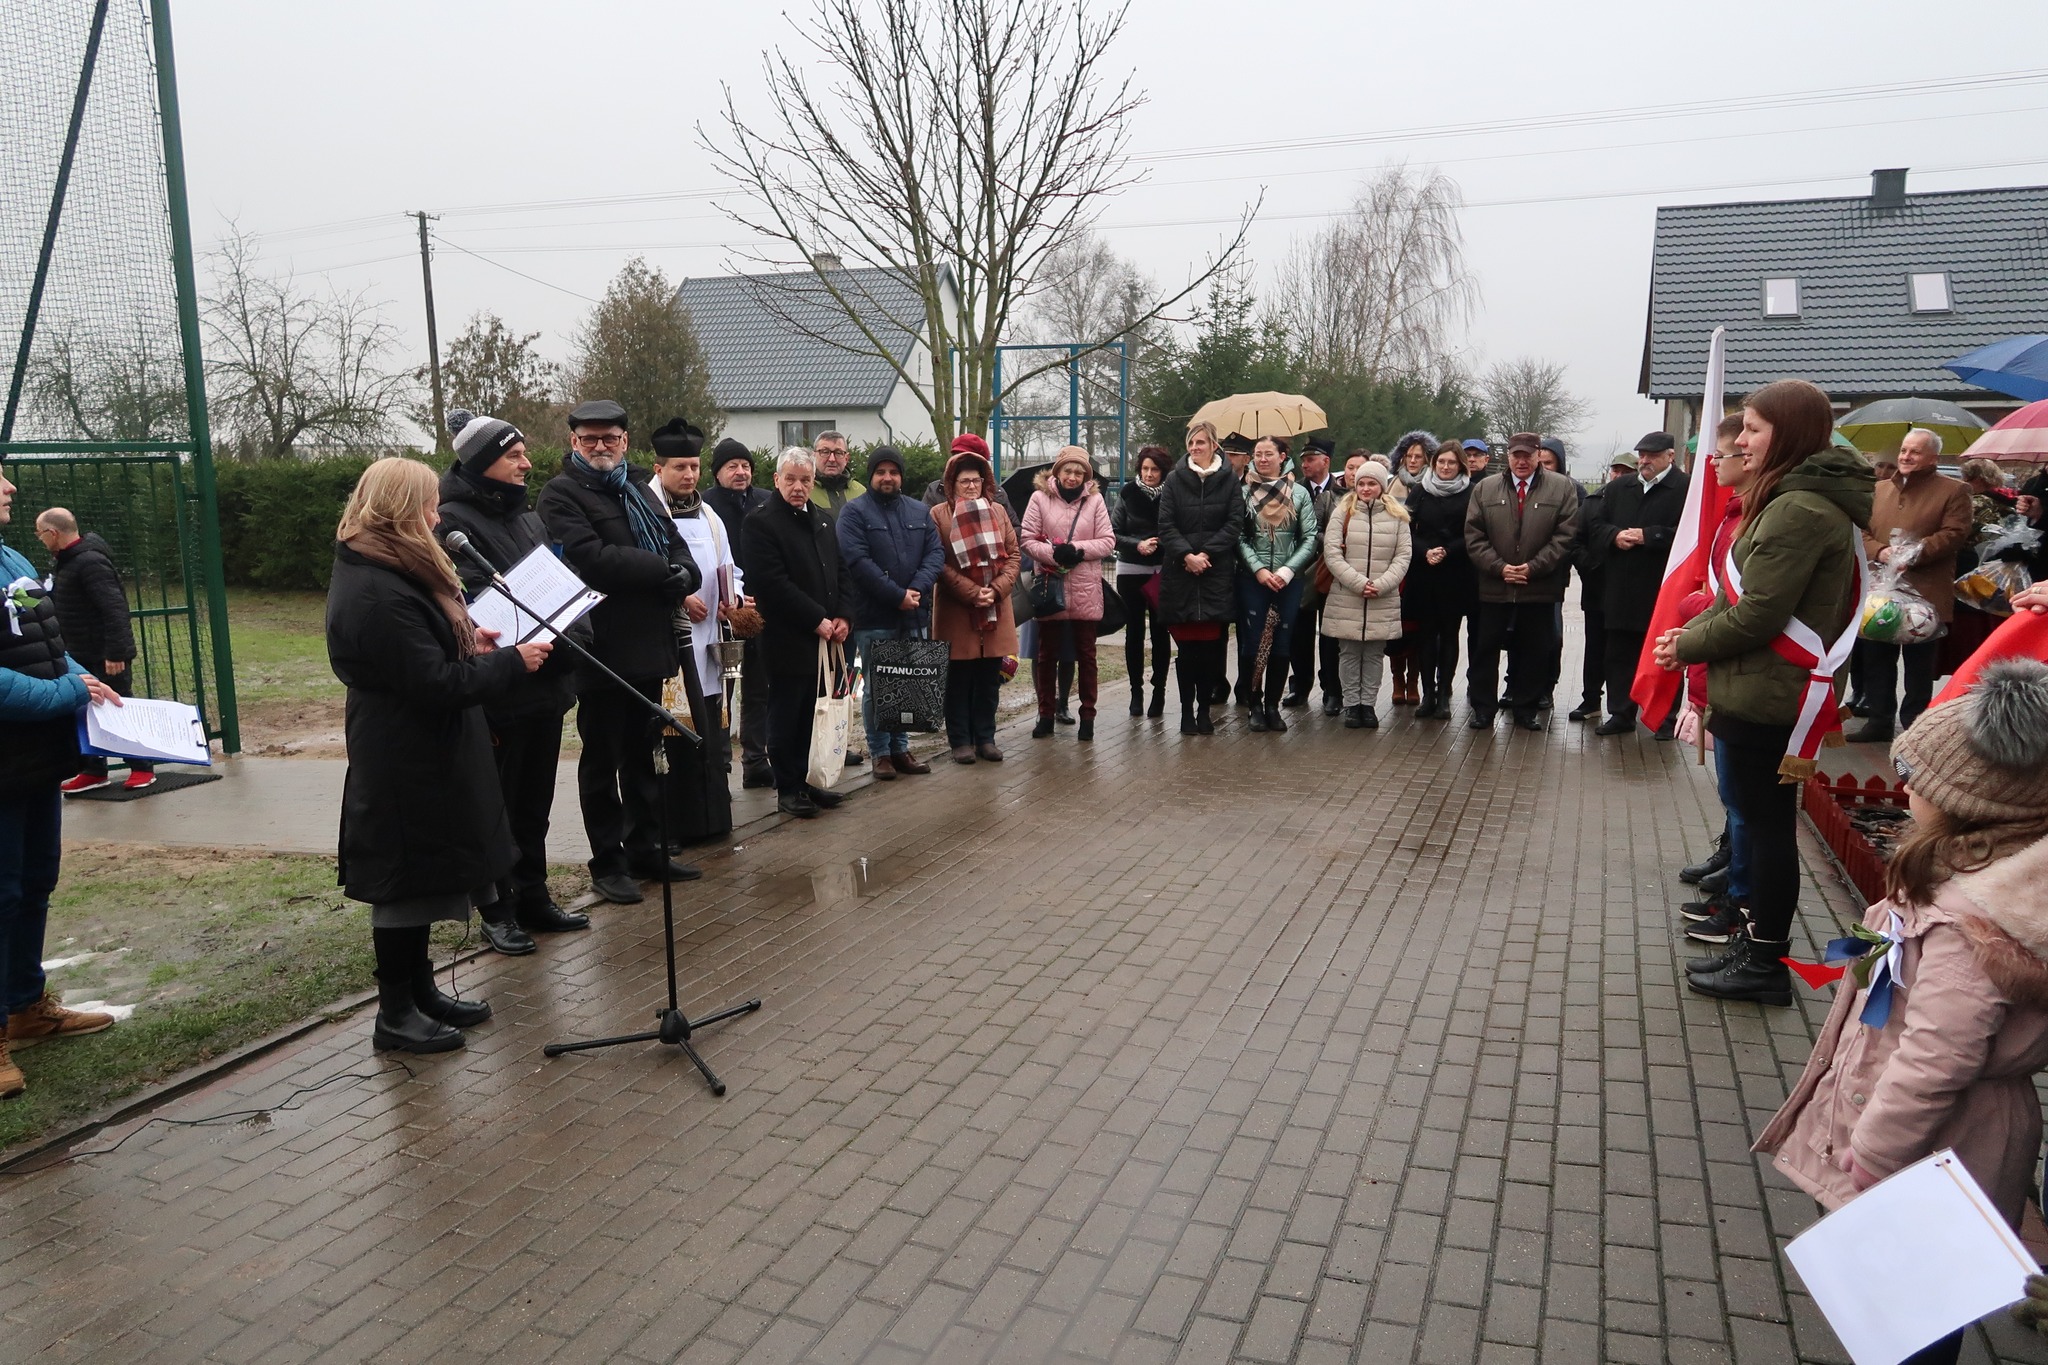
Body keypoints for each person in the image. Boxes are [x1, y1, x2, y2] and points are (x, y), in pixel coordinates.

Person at [1753, 658, 2048, 1365]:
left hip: (1938, 1148)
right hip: (1934, 1137)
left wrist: (1877, 1150)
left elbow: (1936, 1055)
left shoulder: (1969, 925)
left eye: (1916, 778)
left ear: (1973, 803)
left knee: (1912, 1321)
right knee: (1903, 1309)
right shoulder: (1965, 876)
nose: (1902, 785)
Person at [1657, 379, 1874, 1005]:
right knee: (1757, 819)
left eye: (1752, 428)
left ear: (1792, 431)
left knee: (1767, 826)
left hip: (1768, 690)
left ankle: (1765, 962)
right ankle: (1754, 943)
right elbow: (1738, 598)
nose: (1741, 440)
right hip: (1754, 685)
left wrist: (1688, 646)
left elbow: (1759, 615)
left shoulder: (1799, 509)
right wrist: (1690, 632)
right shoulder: (1788, 499)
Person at [328, 458, 550, 1053]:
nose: (436, 514)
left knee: (428, 873)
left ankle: (422, 991)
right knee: (405, 882)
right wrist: (509, 662)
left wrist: (469, 640)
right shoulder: (375, 585)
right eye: (427, 503)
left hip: (431, 746)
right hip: (403, 754)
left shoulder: (396, 565)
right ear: (400, 510)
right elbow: (431, 683)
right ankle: (395, 1012)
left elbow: (427, 655)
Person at [434, 411, 590, 955]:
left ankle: (533, 894)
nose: (527, 463)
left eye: (523, 453)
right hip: (501, 686)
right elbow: (471, 599)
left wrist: (575, 631)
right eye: (513, 455)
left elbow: (560, 577)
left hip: (548, 677)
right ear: (482, 464)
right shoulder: (452, 522)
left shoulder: (526, 517)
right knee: (497, 803)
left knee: (535, 802)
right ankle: (496, 909)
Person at [536, 399, 702, 905]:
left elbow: (677, 545)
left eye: (610, 438)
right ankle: (607, 861)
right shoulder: (561, 496)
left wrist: (684, 573)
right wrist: (662, 572)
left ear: (626, 442)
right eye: (590, 439)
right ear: (575, 444)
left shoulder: (636, 491)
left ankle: (646, 847)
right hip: (602, 652)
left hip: (650, 648)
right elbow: (591, 560)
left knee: (644, 757)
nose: (601, 446)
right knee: (603, 760)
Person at [0, 457, 118, 1100]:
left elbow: (46, 643)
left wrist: (81, 675)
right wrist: (66, 691)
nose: (10, 486)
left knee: (34, 883)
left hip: (33, 762)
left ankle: (25, 1009)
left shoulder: (12, 559)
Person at [742, 449, 850, 819]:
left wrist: (843, 617)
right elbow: (771, 583)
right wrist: (816, 618)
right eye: (791, 479)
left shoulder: (821, 520)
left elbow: (840, 569)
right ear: (776, 480)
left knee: (813, 714)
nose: (798, 487)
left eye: (805, 480)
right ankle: (788, 788)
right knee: (787, 715)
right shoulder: (761, 522)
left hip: (825, 636)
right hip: (787, 638)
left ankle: (809, 781)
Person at [1849, 428, 1973, 743]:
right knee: (1877, 660)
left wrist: (1914, 553)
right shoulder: (1877, 490)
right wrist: (1881, 551)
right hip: (1881, 593)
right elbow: (1860, 531)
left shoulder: (1954, 490)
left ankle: (1915, 727)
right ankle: (1878, 721)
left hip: (1926, 593)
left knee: (1919, 668)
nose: (1905, 457)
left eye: (1914, 452)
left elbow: (1955, 533)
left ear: (1933, 457)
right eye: (1904, 450)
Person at [649, 419, 740, 844]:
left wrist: (732, 597)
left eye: (694, 467)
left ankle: (712, 820)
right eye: (680, 467)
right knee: (674, 734)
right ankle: (677, 826)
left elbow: (729, 567)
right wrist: (681, 596)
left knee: (709, 731)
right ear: (658, 468)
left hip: (708, 642)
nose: (689, 476)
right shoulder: (649, 510)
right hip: (669, 640)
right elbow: (647, 567)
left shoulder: (709, 514)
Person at [836, 444, 944, 778]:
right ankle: (880, 752)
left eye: (893, 472)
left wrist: (916, 590)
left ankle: (901, 750)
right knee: (878, 684)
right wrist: (896, 595)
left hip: (912, 614)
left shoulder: (918, 511)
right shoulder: (854, 513)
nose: (887, 478)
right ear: (871, 476)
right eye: (881, 472)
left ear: (901, 476)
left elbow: (935, 555)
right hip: (874, 615)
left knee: (907, 683)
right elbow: (856, 562)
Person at [1464, 432, 1580, 730]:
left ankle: (1525, 709)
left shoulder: (1561, 488)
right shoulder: (1486, 489)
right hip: (1494, 587)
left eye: (1528, 455)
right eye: (1516, 455)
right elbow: (1474, 535)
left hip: (1539, 587)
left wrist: (1534, 567)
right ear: (1508, 456)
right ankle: (1483, 709)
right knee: (1485, 649)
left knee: (1534, 649)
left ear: (1538, 454)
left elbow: (1566, 535)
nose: (1521, 461)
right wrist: (1500, 567)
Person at [34, 508, 151, 792]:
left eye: (40, 535)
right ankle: (94, 770)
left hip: (104, 653)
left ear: (53, 533)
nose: (40, 540)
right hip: (77, 652)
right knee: (84, 709)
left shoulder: (90, 562)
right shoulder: (66, 562)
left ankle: (142, 767)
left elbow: (114, 608)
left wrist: (117, 653)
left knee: (119, 706)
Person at [1593, 432, 1691, 738]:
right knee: (1619, 655)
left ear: (1670, 456)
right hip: (1621, 588)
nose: (1644, 460)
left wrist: (1649, 536)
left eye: (1652, 454)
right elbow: (1595, 525)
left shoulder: (1686, 489)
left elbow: (1691, 537)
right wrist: (1614, 536)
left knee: (1663, 655)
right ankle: (1621, 713)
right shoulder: (1620, 487)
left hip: (1662, 589)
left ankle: (1665, 718)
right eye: (1642, 454)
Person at [929, 450, 1019, 763]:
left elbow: (1014, 555)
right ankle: (960, 741)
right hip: (957, 608)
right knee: (959, 678)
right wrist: (971, 592)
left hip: (995, 607)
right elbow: (936, 561)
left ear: (985, 482)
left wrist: (994, 590)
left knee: (988, 678)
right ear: (951, 484)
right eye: (964, 481)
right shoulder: (939, 514)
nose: (970, 486)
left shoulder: (997, 512)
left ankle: (986, 738)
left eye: (976, 480)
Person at [1021, 447, 1117, 741]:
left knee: (1086, 656)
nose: (1073, 476)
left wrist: (1077, 550)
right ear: (1057, 472)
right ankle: (1046, 714)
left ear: (1085, 475)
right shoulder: (1039, 498)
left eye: (1079, 472)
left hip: (1086, 589)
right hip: (1050, 586)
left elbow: (1107, 541)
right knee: (1046, 654)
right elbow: (1026, 539)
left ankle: (1087, 715)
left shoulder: (1096, 500)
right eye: (1068, 470)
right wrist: (1053, 554)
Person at [1158, 421, 1243, 734]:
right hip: (1180, 575)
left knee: (1209, 650)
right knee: (1187, 651)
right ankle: (1185, 713)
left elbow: (1234, 524)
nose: (1195, 448)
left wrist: (1206, 554)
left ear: (1214, 446)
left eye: (1201, 443)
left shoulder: (1229, 480)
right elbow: (1165, 525)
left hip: (1214, 574)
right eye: (1191, 443)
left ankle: (1204, 710)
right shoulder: (1174, 480)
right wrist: (1187, 556)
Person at [702, 438, 773, 790]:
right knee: (723, 691)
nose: (740, 472)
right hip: (725, 613)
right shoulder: (705, 507)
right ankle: (721, 766)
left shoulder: (765, 501)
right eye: (732, 466)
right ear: (717, 473)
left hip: (759, 611)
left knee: (759, 689)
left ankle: (756, 759)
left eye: (745, 465)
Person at [1234, 435, 1318, 733]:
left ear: (1283, 456)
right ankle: (1254, 705)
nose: (1263, 459)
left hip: (1287, 580)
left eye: (1269, 453)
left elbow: (1309, 538)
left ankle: (1272, 705)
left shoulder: (1299, 494)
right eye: (1258, 454)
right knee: (1253, 644)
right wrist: (1257, 569)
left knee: (1282, 644)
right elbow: (1239, 538)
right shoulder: (1243, 493)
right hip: (1253, 580)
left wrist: (1287, 571)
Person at [1322, 459, 1413, 729]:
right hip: (1347, 595)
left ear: (1381, 486)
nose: (1365, 488)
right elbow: (1332, 552)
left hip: (1382, 597)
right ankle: (1351, 705)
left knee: (1374, 654)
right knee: (1349, 653)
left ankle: (1368, 705)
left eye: (1371, 483)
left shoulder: (1398, 515)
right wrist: (1358, 582)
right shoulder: (1342, 512)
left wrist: (1383, 584)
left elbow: (1403, 555)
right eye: (1361, 483)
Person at [1404, 442, 1477, 720]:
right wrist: (1425, 551)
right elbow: (1405, 529)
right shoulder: (1421, 491)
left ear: (1460, 465)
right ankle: (1428, 695)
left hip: (1457, 572)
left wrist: (1448, 550)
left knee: (1449, 636)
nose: (1446, 467)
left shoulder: (1471, 492)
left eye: (1452, 463)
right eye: (1441, 462)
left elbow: (1475, 531)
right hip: (1424, 572)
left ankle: (1444, 693)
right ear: (1434, 464)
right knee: (1425, 636)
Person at [1567, 454, 1634, 722]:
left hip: (1630, 592)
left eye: (1625, 472)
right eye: (1615, 470)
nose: (1618, 476)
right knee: (1594, 647)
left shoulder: (1637, 503)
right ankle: (1591, 699)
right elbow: (1575, 541)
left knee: (1624, 652)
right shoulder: (1592, 503)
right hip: (1597, 590)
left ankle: (1626, 705)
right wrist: (1590, 567)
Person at [1113, 445, 1173, 719]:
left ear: (1163, 471)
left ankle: (1158, 690)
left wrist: (1161, 544)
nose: (1149, 474)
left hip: (1162, 571)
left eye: (1155, 470)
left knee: (1161, 634)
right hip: (1130, 569)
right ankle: (1135, 691)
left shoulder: (1172, 494)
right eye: (1145, 469)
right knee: (1134, 633)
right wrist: (1137, 544)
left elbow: (1177, 529)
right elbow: (1113, 533)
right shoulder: (1126, 494)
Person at [1283, 437, 1343, 714]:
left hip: (1333, 571)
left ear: (1326, 461)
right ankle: (1300, 684)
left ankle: (1332, 688)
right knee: (1300, 631)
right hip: (1300, 571)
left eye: (1310, 459)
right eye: (1303, 459)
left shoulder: (1341, 491)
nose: (1304, 464)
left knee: (1330, 632)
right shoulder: (1293, 490)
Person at [808, 430, 865, 526]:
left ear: (846, 458)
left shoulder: (861, 493)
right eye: (825, 452)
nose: (832, 459)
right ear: (814, 456)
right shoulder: (805, 490)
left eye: (838, 453)